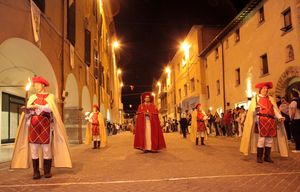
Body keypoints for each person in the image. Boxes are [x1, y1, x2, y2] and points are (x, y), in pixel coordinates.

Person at [11, 76, 72, 179]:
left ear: (43, 85)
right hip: (34, 126)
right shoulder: (32, 97)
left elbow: (50, 109)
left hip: (45, 125)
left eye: (37, 84)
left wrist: (37, 107)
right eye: (34, 85)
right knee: (34, 149)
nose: (35, 86)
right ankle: (36, 172)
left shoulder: (50, 96)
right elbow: (28, 114)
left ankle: (47, 171)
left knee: (46, 149)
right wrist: (27, 111)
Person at [240, 82, 288, 163]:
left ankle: (267, 157)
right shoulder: (255, 98)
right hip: (261, 120)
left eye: (266, 88)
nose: (265, 90)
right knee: (262, 139)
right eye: (264, 88)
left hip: (271, 120)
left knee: (269, 139)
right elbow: (252, 112)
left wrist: (280, 117)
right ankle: (259, 157)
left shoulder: (271, 99)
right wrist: (255, 110)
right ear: (260, 90)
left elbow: (275, 110)